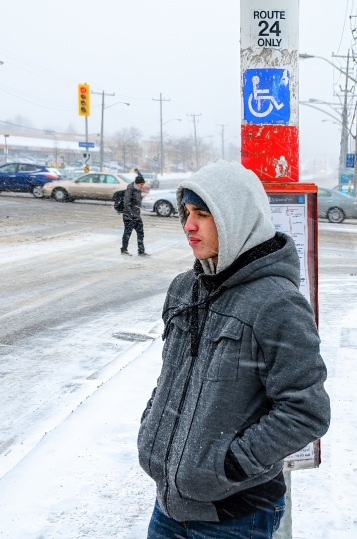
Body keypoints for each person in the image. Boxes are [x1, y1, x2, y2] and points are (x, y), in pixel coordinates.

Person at [137, 160, 330, 539]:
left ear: (235, 219)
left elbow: (306, 411)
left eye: (202, 215)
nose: (188, 226)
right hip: (168, 505)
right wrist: (152, 430)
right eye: (187, 214)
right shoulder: (184, 289)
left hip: (236, 516)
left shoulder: (276, 303)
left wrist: (227, 466)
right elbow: (170, 377)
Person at [121, 172, 149, 256]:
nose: (142, 186)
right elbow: (126, 203)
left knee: (140, 233)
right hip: (129, 216)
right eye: (141, 184)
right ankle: (124, 250)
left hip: (136, 216)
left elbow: (136, 203)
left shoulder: (138, 190)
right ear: (137, 183)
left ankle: (141, 251)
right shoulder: (130, 189)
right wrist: (131, 214)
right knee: (127, 233)